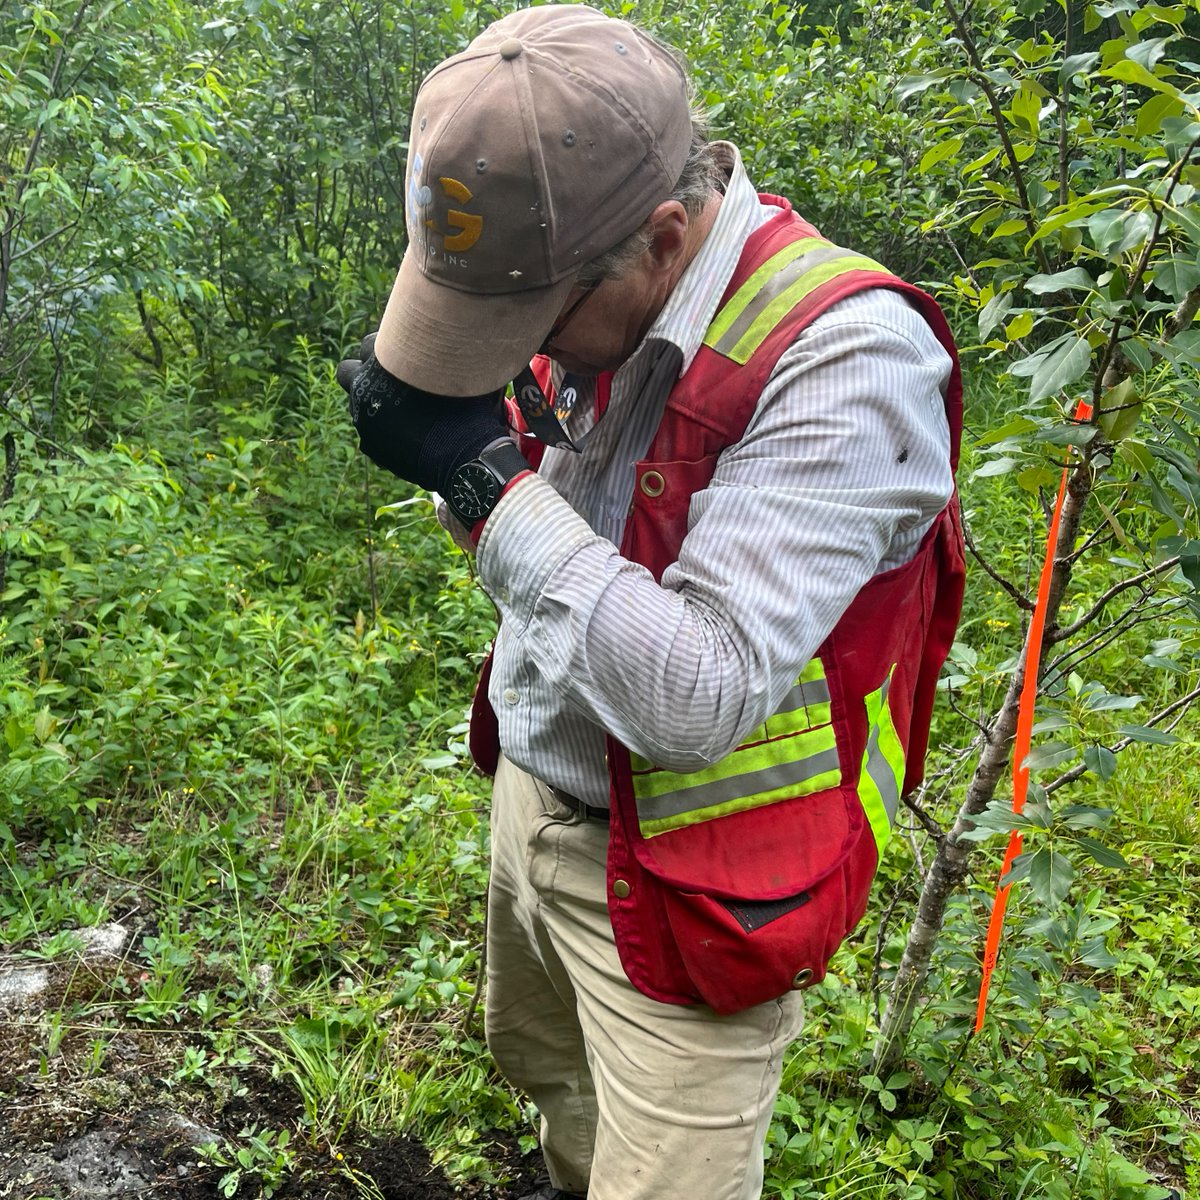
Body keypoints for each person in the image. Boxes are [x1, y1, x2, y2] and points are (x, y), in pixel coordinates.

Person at [336, 7, 965, 1198]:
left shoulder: (852, 363)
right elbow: (540, 516)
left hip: (698, 891)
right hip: (541, 794)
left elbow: (696, 693)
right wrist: (474, 455)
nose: (512, 352)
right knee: (547, 1076)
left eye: (525, 325)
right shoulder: (567, 252)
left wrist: (481, 480)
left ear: (662, 239)